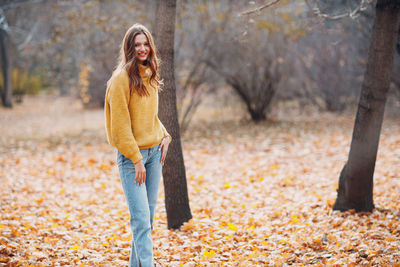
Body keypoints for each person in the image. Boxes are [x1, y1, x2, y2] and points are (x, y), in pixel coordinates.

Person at [104, 23, 171, 267]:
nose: (142, 49)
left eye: (145, 44)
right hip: (133, 159)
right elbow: (120, 128)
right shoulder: (121, 80)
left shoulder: (151, 75)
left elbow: (149, 117)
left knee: (147, 221)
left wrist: (165, 136)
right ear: (129, 48)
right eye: (137, 45)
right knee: (141, 221)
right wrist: (136, 159)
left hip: (154, 156)